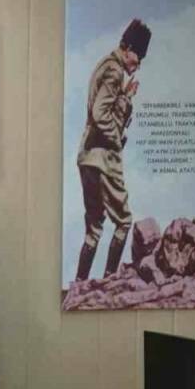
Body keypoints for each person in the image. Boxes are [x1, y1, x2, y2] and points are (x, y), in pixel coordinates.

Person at [74, 18, 151, 282]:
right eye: (138, 57)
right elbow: (100, 114)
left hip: (87, 158)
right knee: (124, 221)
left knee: (94, 226)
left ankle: (80, 285)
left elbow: (104, 107)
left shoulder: (104, 66)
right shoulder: (115, 71)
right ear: (127, 48)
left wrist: (125, 97)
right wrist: (116, 141)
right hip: (104, 158)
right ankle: (109, 282)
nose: (138, 64)